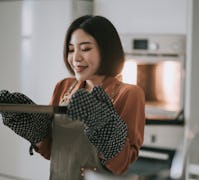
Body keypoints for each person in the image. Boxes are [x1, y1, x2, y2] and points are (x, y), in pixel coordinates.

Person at [34, 15, 146, 176]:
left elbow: (123, 163)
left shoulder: (129, 94)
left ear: (106, 50)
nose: (76, 58)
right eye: (71, 49)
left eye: (85, 49)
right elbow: (51, 150)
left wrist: (104, 126)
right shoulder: (63, 86)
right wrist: (34, 132)